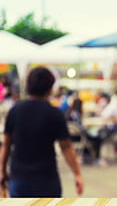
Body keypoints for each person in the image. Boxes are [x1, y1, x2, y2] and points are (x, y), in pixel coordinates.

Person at [0, 67, 83, 197]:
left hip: (19, 178)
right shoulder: (54, 114)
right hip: (47, 179)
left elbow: (6, 145)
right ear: (50, 87)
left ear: (28, 86)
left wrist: (2, 171)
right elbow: (66, 147)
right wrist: (77, 174)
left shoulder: (15, 111)